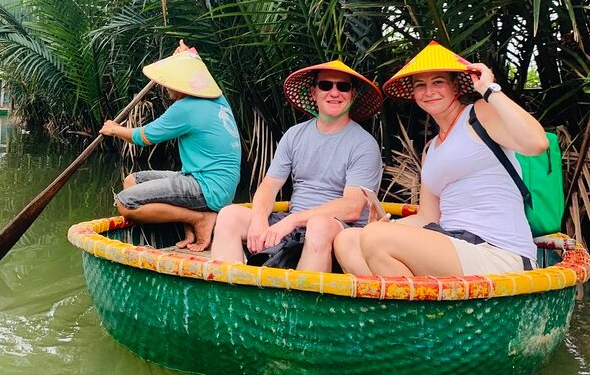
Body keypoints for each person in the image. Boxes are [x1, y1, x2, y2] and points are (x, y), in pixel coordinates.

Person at [334, 41, 549, 277]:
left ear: (455, 87)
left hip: (498, 251)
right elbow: (427, 217)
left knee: (375, 238)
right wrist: (386, 226)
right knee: (348, 240)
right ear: (414, 93)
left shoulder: (479, 114)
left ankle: (410, 312)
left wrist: (489, 89)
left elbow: (537, 143)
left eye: (438, 82)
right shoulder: (431, 149)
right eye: (420, 85)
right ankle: (412, 310)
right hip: (452, 244)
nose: (429, 92)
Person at [210, 60, 383, 272]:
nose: (334, 92)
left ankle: (301, 305)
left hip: (336, 229)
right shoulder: (294, 135)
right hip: (292, 223)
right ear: (313, 92)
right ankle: (228, 299)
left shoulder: (364, 144)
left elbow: (353, 207)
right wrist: (258, 218)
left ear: (352, 94)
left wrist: (294, 220)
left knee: (318, 225)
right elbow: (269, 185)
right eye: (326, 85)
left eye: (343, 86)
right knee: (229, 216)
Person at [99, 40, 241, 252]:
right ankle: (191, 228)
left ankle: (199, 218)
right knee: (131, 182)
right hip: (210, 182)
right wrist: (189, 55)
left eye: (171, 81)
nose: (165, 86)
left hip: (208, 188)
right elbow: (202, 74)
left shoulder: (184, 109)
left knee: (126, 203)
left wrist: (114, 129)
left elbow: (142, 137)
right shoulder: (219, 99)